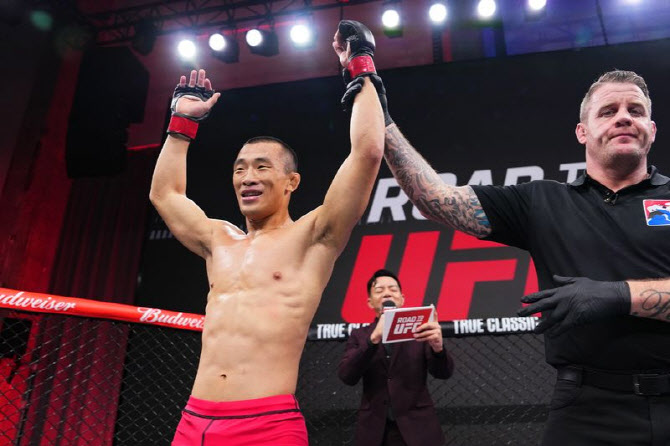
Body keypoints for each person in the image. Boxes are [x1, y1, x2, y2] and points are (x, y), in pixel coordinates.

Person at [352, 63, 670, 445]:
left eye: (635, 110)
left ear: (651, 129)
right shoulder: (543, 201)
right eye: (608, 111)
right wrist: (383, 122)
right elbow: (434, 198)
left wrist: (617, 295)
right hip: (586, 408)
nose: (623, 118)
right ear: (582, 132)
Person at [149, 21, 384, 445]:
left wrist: (360, 66)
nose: (248, 177)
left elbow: (366, 153)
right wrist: (181, 124)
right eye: (240, 169)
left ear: (292, 182)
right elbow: (165, 194)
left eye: (261, 167)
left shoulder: (313, 236)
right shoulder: (218, 240)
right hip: (194, 421)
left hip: (266, 425)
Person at [338, 269, 454, 446]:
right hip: (375, 431)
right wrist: (373, 339)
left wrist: (438, 348)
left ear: (402, 299)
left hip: (418, 429)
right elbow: (347, 376)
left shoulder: (420, 331)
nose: (387, 293)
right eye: (379, 290)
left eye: (393, 289)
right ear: (370, 302)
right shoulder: (360, 335)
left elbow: (443, 373)